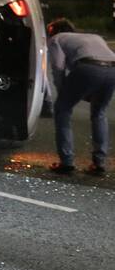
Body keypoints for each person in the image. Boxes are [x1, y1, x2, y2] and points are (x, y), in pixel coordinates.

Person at [46, 18, 115, 176]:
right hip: (112, 69)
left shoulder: (57, 39)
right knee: (99, 113)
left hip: (88, 67)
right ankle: (99, 163)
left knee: (62, 110)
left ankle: (67, 162)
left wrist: (62, 91)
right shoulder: (94, 37)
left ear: (53, 31)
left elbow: (58, 66)